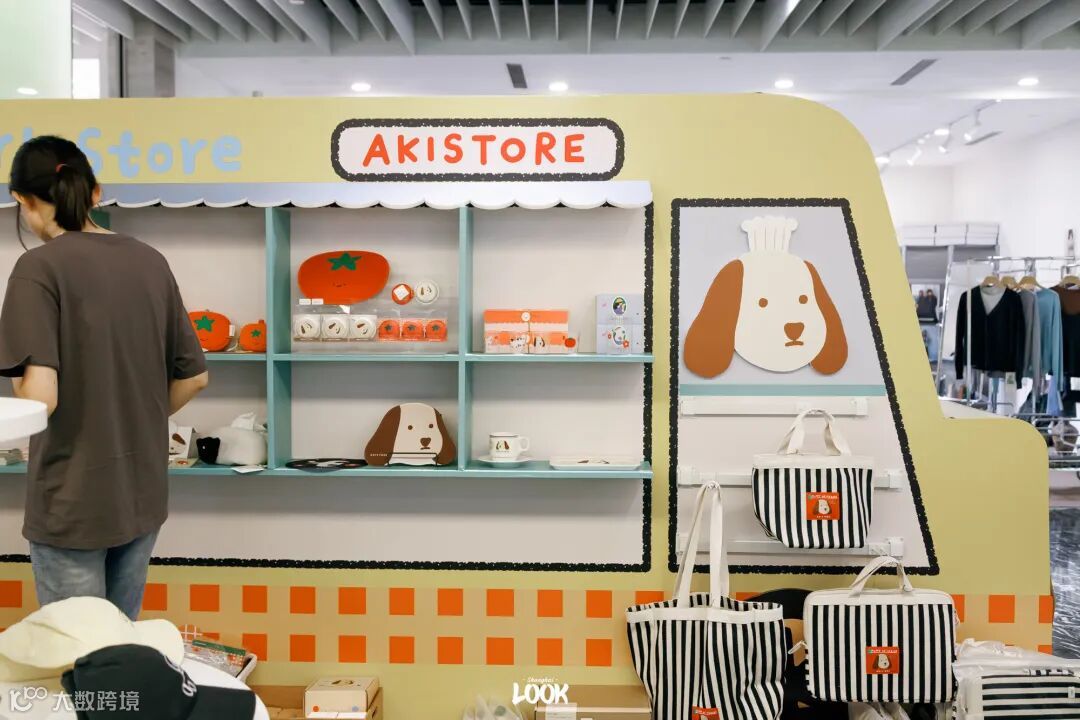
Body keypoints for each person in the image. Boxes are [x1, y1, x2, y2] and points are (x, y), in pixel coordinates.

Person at [0, 136, 209, 620]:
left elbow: (41, 399)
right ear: (95, 192)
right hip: (141, 495)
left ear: (22, 200)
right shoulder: (149, 260)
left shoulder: (38, 269)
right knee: (119, 644)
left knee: (78, 651)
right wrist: (136, 416)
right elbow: (194, 377)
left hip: (73, 500)